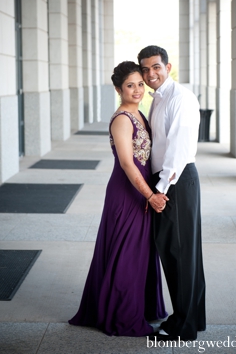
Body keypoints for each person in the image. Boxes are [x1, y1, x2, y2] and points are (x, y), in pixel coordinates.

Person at [69, 61, 168, 336]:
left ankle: (138, 306)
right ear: (117, 89)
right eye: (129, 85)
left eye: (139, 83)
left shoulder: (140, 114)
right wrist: (150, 195)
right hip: (127, 194)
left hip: (140, 192)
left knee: (139, 253)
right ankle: (122, 316)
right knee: (126, 254)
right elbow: (127, 163)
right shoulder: (123, 119)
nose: (137, 89)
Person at [137, 45, 206, 341]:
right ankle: (192, 318)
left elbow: (178, 150)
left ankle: (184, 328)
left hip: (175, 182)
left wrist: (161, 190)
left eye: (156, 67)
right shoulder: (160, 98)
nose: (150, 73)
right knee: (182, 253)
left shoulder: (181, 98)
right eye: (145, 69)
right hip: (170, 181)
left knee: (179, 253)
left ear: (168, 66)